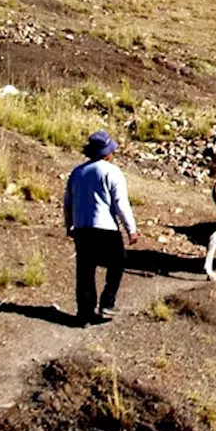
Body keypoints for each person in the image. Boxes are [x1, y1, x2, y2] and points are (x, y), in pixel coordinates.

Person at [64, 130, 139, 326]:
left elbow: (68, 203)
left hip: (82, 228)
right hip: (106, 228)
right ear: (107, 153)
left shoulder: (77, 172)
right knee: (118, 262)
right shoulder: (112, 172)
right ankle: (107, 301)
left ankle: (84, 313)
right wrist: (131, 229)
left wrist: (69, 225)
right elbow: (121, 204)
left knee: (85, 271)